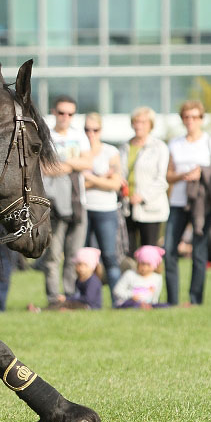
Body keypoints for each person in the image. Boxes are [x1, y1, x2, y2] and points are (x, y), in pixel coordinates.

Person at [163, 100, 211, 306]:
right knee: (170, 249)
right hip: (178, 202)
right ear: (182, 119)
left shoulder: (210, 142)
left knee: (199, 251)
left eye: (194, 117)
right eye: (186, 117)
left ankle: (195, 300)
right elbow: (168, 175)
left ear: (201, 119)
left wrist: (201, 173)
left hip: (201, 204)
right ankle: (172, 300)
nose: (190, 121)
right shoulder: (175, 144)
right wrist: (183, 176)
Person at [39, 95, 92, 304]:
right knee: (53, 254)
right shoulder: (46, 135)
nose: (65, 117)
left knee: (73, 254)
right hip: (52, 203)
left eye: (70, 113)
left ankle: (71, 295)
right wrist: (71, 165)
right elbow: (43, 166)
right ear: (54, 112)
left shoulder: (80, 136)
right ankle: (53, 297)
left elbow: (87, 162)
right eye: (61, 112)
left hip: (77, 201)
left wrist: (66, 163)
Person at [82, 113, 122, 298]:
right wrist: (101, 178)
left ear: (101, 130)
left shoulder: (111, 152)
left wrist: (88, 177)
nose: (91, 133)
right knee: (84, 258)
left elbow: (115, 184)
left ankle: (118, 297)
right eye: (87, 129)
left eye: (95, 129)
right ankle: (87, 298)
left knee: (109, 256)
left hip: (106, 210)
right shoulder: (80, 151)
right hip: (83, 208)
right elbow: (76, 184)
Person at [122, 107, 170, 254]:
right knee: (128, 251)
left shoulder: (159, 147)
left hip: (150, 207)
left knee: (148, 253)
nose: (139, 126)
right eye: (136, 122)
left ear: (150, 125)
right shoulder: (124, 147)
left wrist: (142, 195)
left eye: (143, 122)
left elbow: (162, 180)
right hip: (127, 206)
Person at [29, 247, 103, 311]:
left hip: (90, 307)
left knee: (66, 303)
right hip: (81, 303)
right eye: (78, 264)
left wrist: (68, 299)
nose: (80, 268)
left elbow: (88, 299)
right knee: (61, 303)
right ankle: (41, 309)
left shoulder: (93, 281)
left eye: (84, 265)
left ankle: (40, 310)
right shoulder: (79, 279)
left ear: (92, 267)